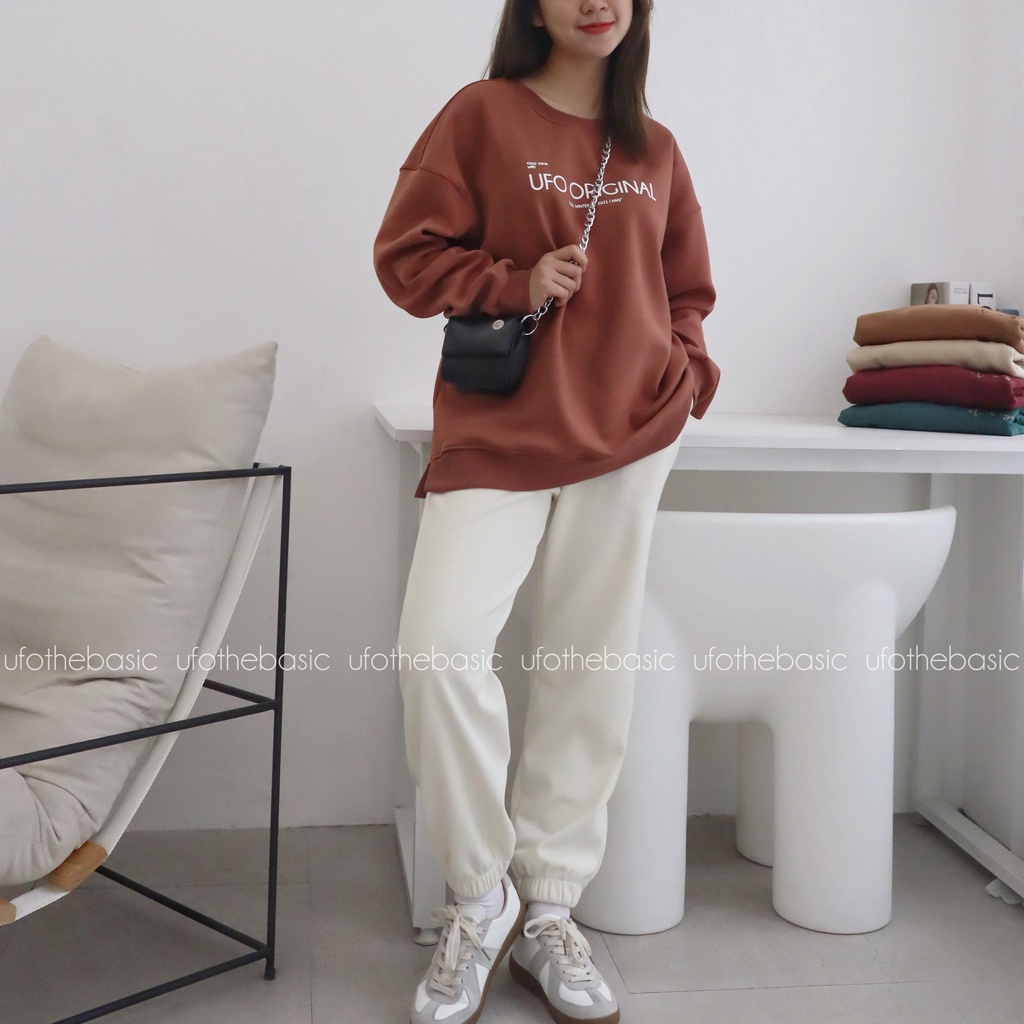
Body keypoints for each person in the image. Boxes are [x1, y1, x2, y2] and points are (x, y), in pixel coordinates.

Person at [373, 2, 718, 1022]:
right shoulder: (481, 115)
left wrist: (687, 370)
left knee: (587, 664)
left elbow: (687, 288)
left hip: (630, 434)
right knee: (438, 649)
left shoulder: (654, 149)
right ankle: (481, 896)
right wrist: (515, 280)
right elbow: (406, 256)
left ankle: (550, 907)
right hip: (500, 430)